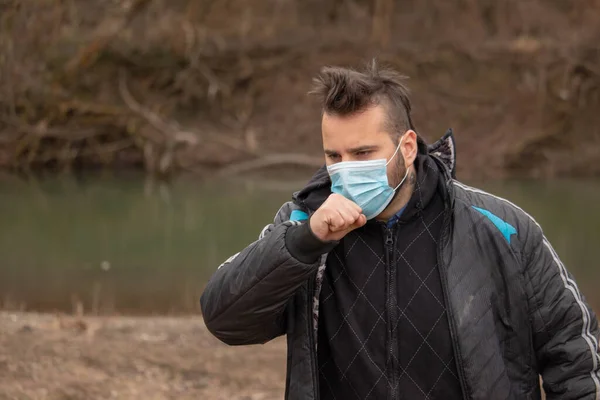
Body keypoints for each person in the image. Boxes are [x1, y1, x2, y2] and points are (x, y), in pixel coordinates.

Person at [200, 60, 600, 400]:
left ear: (406, 147)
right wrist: (305, 243)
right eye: (333, 155)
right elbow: (226, 320)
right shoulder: (304, 223)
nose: (345, 169)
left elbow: (575, 352)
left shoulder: (501, 227)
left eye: (362, 153)